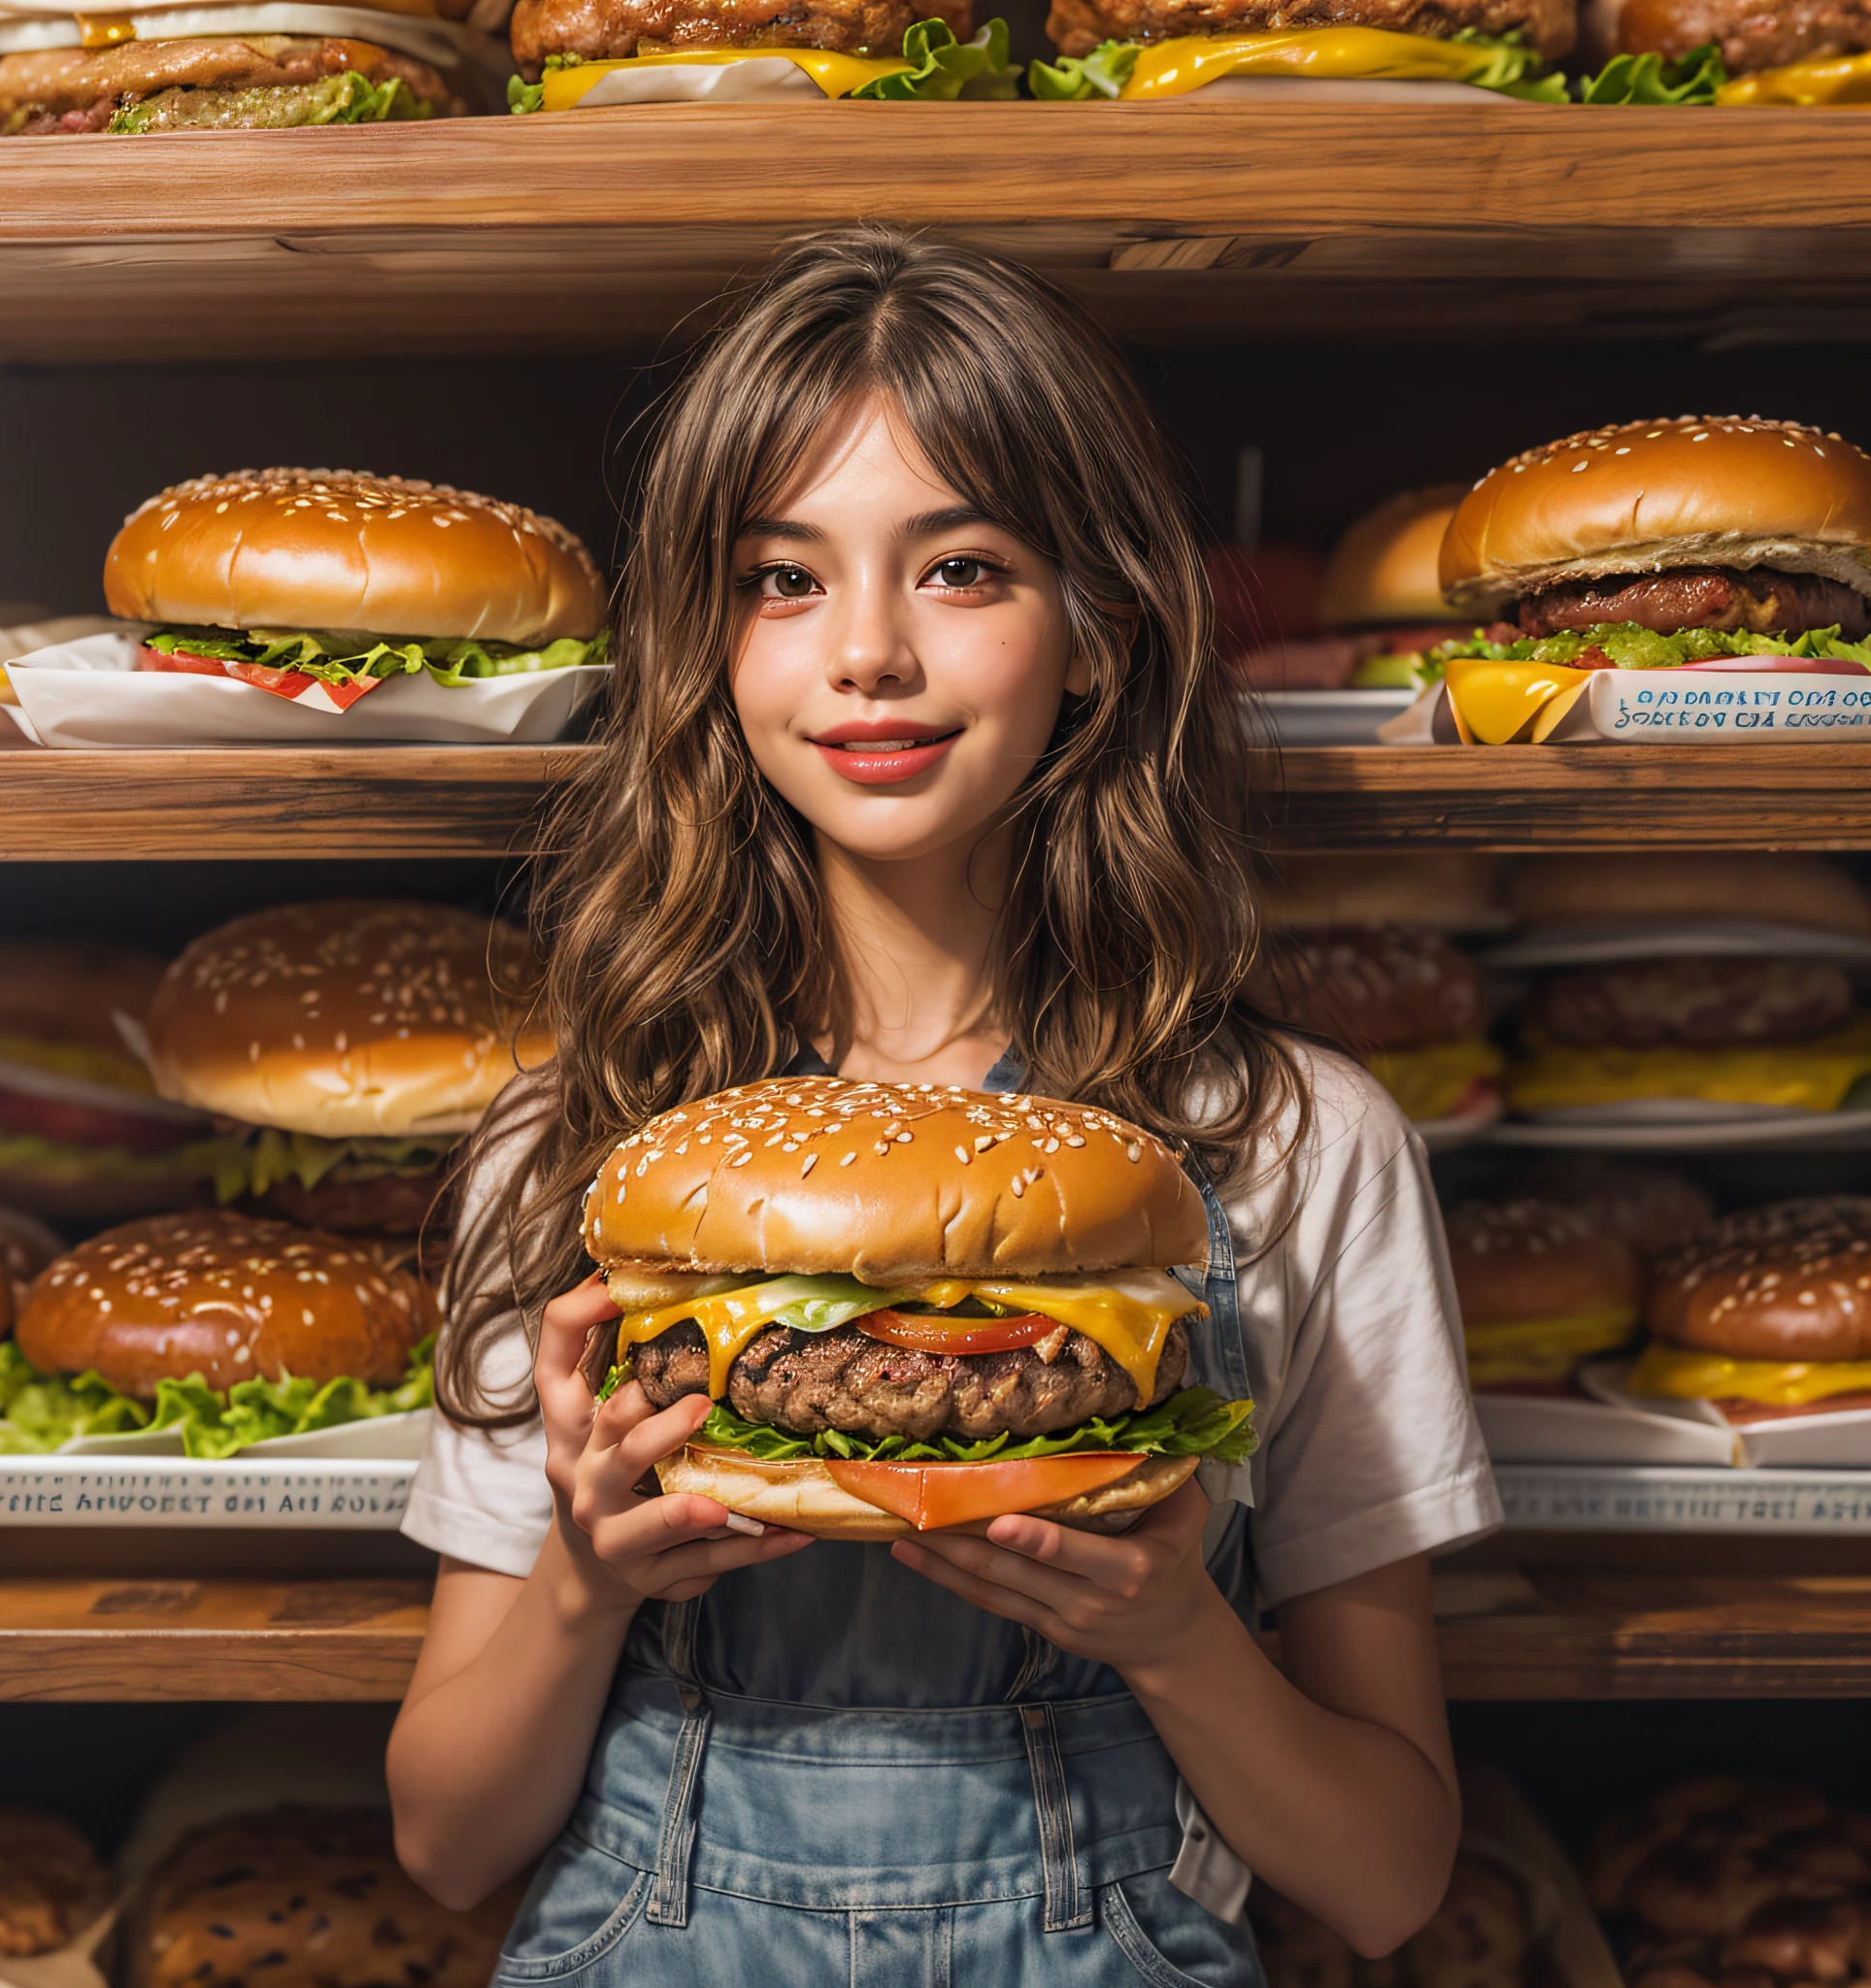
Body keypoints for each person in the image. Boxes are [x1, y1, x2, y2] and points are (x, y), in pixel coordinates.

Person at [385, 224, 1499, 1985]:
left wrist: (1181, 1634)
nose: (870, 656)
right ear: (707, 646)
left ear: (1102, 634)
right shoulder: (577, 1138)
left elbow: (1386, 1884)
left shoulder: (1294, 1141)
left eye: (964, 567)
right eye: (784, 577)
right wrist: (585, 1588)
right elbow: (447, 1843)